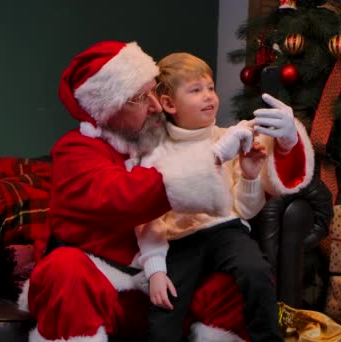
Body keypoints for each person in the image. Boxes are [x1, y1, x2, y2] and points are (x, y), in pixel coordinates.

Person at [21, 40, 315, 342]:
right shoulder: (77, 151)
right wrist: (212, 158)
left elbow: (247, 164)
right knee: (64, 270)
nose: (155, 105)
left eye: (153, 91)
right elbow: (122, 196)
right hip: (106, 284)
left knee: (234, 284)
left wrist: (286, 142)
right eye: (140, 97)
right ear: (108, 109)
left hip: (165, 277)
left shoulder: (158, 135)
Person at [134, 52, 281, 342]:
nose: (208, 97)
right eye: (196, 90)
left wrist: (250, 175)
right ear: (169, 104)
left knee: (256, 271)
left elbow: (245, 211)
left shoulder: (229, 137)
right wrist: (155, 271)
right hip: (179, 242)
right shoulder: (156, 152)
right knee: (164, 312)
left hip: (227, 231)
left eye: (210, 87)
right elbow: (147, 218)